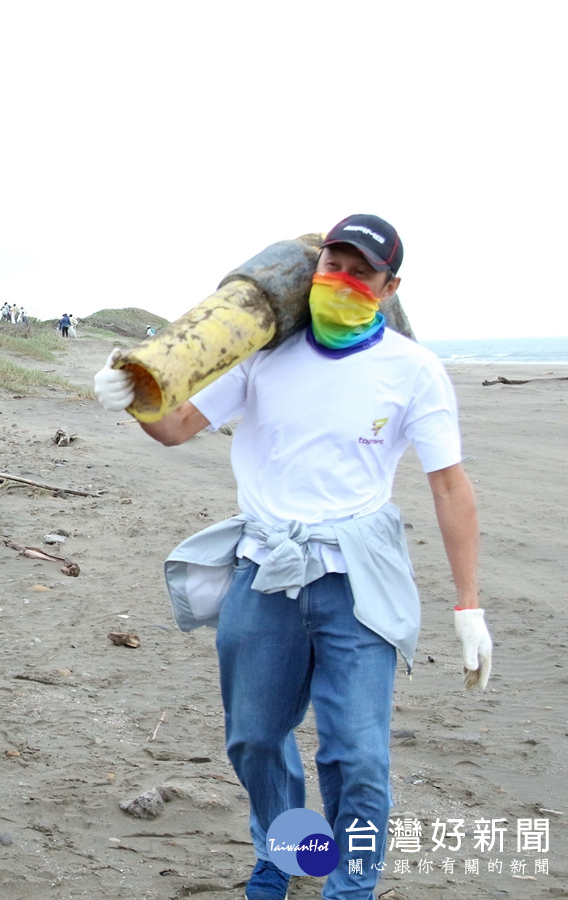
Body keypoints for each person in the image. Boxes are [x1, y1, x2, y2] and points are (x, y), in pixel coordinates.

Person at [93, 214, 492, 900]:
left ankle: (349, 886)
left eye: (358, 271)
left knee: (357, 755)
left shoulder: (413, 369)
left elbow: (449, 485)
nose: (339, 281)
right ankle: (289, 853)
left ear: (388, 286)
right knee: (254, 739)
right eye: (330, 266)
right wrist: (132, 398)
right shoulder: (263, 358)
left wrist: (467, 605)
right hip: (265, 569)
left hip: (356, 579)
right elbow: (176, 428)